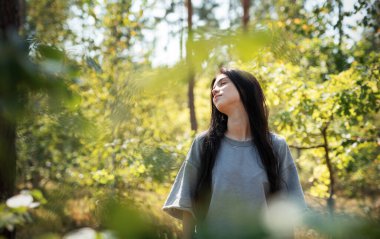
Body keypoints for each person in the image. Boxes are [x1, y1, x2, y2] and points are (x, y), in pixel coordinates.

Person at [162, 68, 307, 239]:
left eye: (223, 83)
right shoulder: (203, 144)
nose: (214, 90)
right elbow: (187, 204)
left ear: (245, 89)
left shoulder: (276, 146)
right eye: (213, 87)